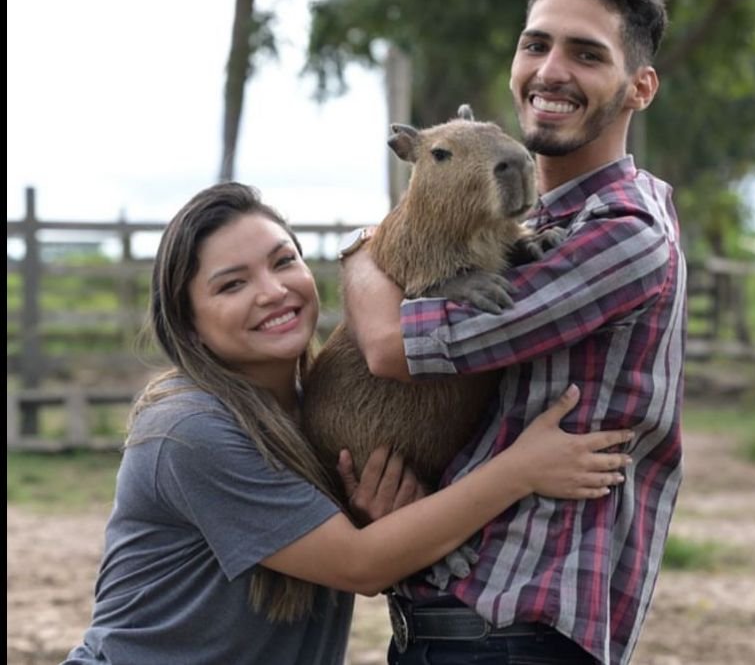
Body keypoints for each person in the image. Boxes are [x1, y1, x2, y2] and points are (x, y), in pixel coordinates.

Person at [60, 181, 635, 665]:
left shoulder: (318, 410)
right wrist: (521, 469)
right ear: (188, 324)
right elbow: (358, 564)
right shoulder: (189, 430)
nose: (273, 291)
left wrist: (371, 522)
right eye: (232, 284)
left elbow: (355, 555)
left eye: (284, 261)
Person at [341, 0, 686, 665]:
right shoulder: (543, 220)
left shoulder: (623, 235)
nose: (552, 70)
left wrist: (356, 254)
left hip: (513, 628)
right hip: (451, 617)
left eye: (587, 54)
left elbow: (389, 344)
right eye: (537, 44)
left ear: (639, 87)